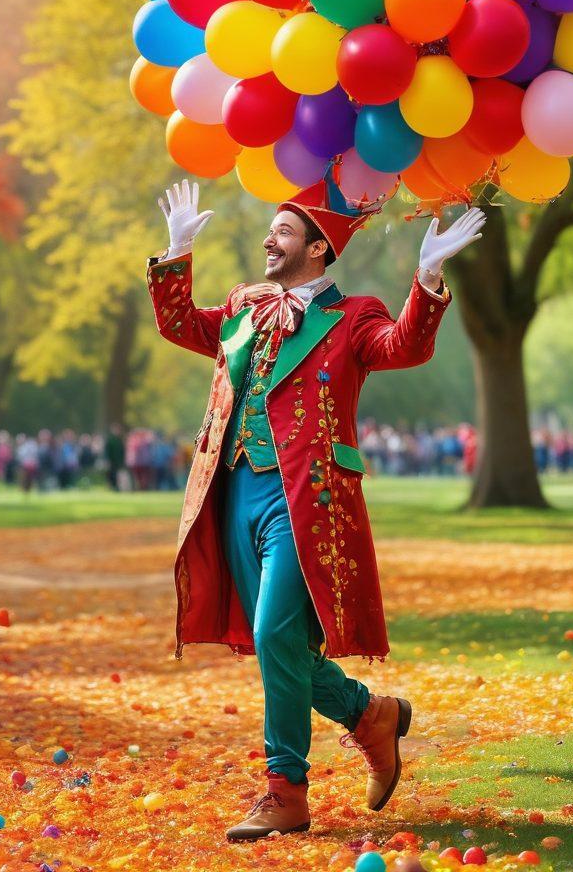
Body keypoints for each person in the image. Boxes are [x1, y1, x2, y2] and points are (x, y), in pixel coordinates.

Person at [147, 177, 484, 841]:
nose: (267, 239)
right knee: (284, 646)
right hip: (235, 491)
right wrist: (176, 251)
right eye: (270, 229)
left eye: (282, 231)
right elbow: (182, 325)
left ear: (318, 249)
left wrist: (428, 278)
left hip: (306, 501)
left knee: (275, 634)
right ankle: (370, 716)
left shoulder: (353, 315)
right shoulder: (245, 305)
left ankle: (285, 792)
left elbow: (403, 346)